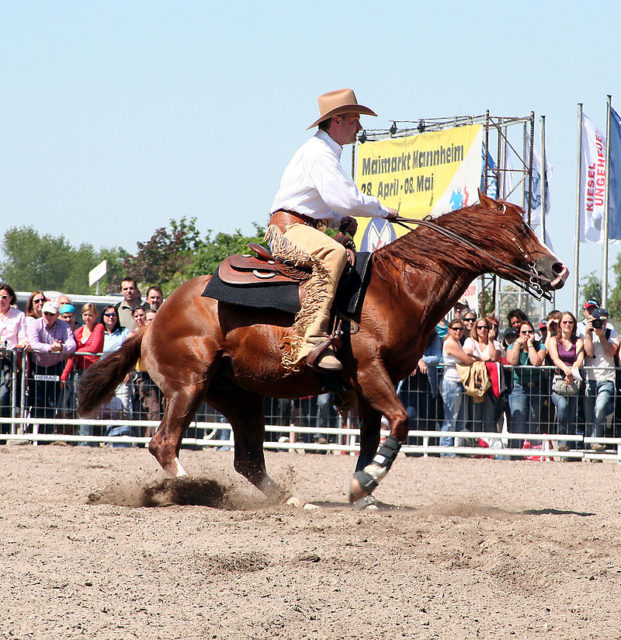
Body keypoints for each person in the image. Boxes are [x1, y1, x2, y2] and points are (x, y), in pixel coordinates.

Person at [267, 88, 398, 371]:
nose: (360, 127)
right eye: (354, 119)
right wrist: (383, 211)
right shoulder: (320, 153)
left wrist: (339, 220)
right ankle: (310, 341)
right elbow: (345, 198)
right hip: (289, 231)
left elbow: (323, 202)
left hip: (302, 227)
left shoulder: (323, 151)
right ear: (336, 121)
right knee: (334, 255)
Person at [26, 301, 76, 433]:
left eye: (51, 314)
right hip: (36, 367)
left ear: (57, 315)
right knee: (35, 401)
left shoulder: (64, 326)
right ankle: (33, 433)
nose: (48, 316)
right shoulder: (35, 324)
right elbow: (33, 343)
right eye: (45, 313)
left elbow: (72, 344)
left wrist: (61, 347)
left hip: (55, 367)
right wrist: (51, 348)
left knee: (52, 401)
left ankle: (46, 434)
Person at [583, 307, 619, 452]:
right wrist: (588, 334)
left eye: (603, 321)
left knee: (600, 408)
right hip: (590, 379)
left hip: (607, 378)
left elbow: (611, 352)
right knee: (589, 414)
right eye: (598, 321)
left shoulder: (612, 333)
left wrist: (602, 335)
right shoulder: (587, 333)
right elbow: (589, 353)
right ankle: (589, 447)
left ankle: (596, 441)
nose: (601, 324)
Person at [506, 321, 547, 449]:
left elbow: (536, 362)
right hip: (519, 388)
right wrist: (518, 344)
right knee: (518, 421)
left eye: (530, 331)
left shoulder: (540, 346)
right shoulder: (513, 346)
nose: (527, 334)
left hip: (536, 387)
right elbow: (512, 361)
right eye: (524, 332)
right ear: (519, 333)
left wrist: (529, 345)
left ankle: (529, 452)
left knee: (533, 421)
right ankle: (515, 452)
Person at [439, 320, 477, 455]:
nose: (458, 331)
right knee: (451, 419)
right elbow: (467, 359)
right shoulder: (450, 343)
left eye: (461, 329)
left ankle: (456, 449)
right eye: (455, 328)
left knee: (461, 419)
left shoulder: (458, 342)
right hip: (451, 382)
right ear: (449, 329)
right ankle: (446, 451)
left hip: (460, 382)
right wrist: (477, 359)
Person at [547, 312, 584, 451]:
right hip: (559, 381)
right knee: (562, 408)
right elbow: (555, 358)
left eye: (570, 322)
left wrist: (572, 371)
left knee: (572, 413)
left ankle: (571, 446)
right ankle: (562, 440)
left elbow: (580, 358)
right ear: (560, 324)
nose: (567, 325)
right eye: (564, 322)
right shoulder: (553, 340)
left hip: (573, 381)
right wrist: (566, 370)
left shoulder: (578, 341)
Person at [463, 317, 500, 434]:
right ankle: (476, 445)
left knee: (489, 417)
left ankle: (488, 447)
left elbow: (494, 358)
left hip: (490, 384)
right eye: (480, 327)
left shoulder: (495, 343)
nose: (483, 329)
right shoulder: (470, 341)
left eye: (486, 327)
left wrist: (490, 341)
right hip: (475, 383)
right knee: (476, 415)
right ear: (476, 329)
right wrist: (484, 359)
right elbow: (467, 355)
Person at [0, 283, 27, 424]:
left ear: (10, 298)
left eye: (4, 296)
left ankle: (3, 431)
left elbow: (23, 339)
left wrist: (14, 347)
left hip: (9, 360)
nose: (1, 300)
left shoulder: (19, 316)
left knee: (3, 395)